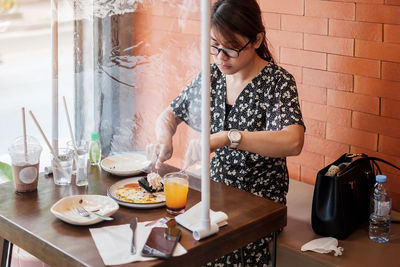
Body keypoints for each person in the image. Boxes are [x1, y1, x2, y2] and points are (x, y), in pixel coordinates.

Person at [146, 0, 305, 265]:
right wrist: (165, 136)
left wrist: (227, 137)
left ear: (256, 40)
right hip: (215, 195)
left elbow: (293, 141)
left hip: (259, 204)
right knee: (164, 239)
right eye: (215, 47)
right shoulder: (212, 77)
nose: (221, 57)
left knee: (214, 252)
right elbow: (169, 115)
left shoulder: (277, 82)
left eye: (230, 49)